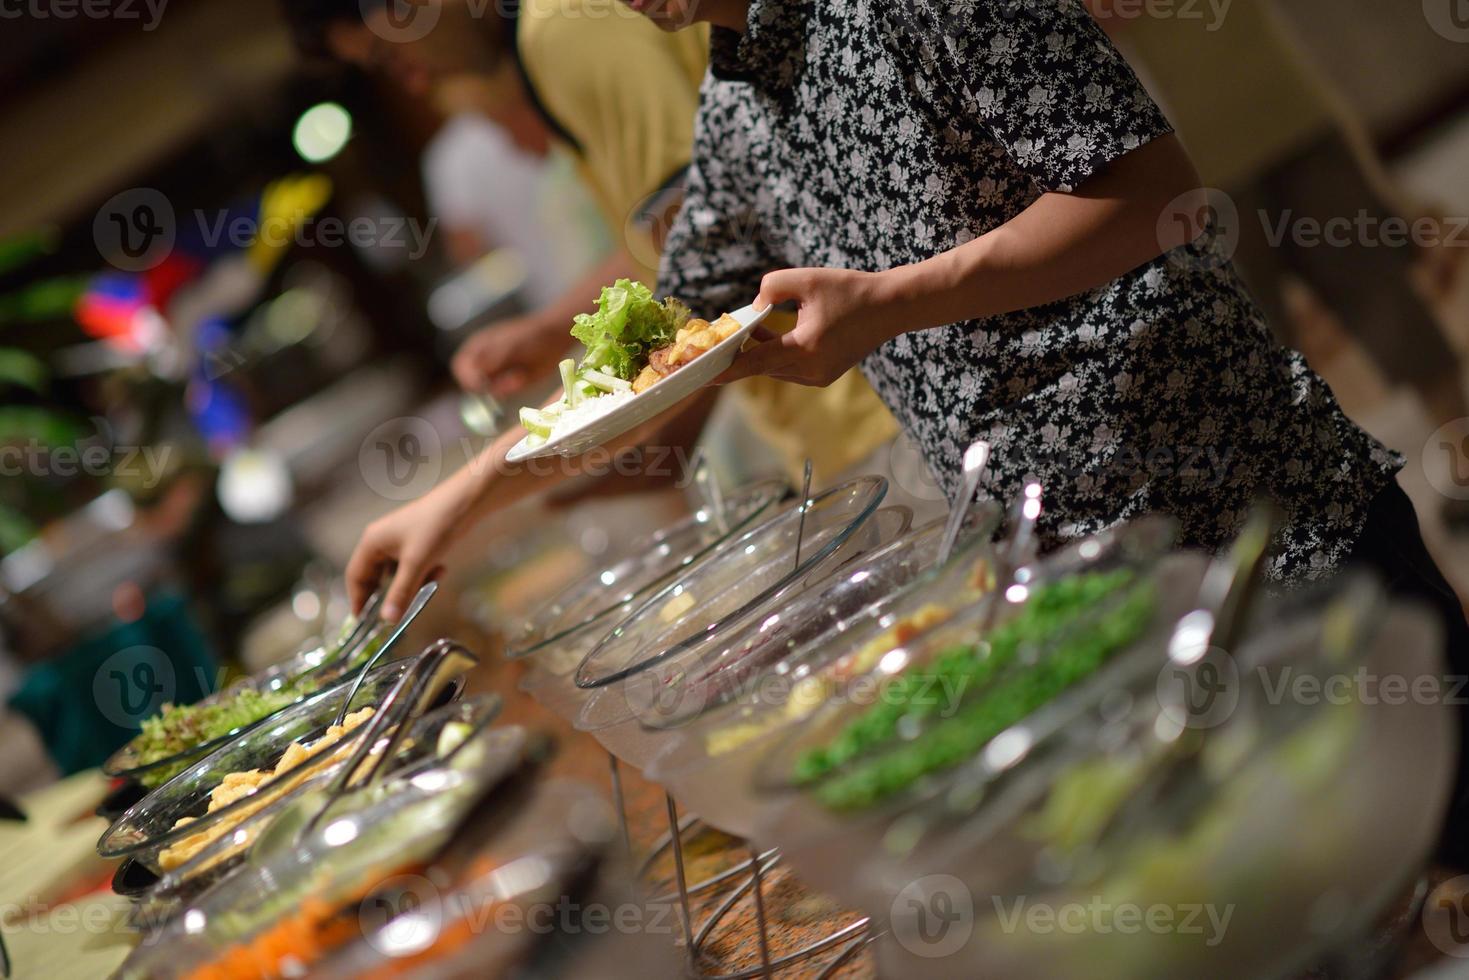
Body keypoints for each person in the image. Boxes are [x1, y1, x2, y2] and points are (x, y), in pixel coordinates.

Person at [286, 0, 900, 489]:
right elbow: (686, 242)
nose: (415, 80)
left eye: (389, 60)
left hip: (864, 394)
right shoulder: (550, 33)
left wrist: (482, 486)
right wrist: (554, 331)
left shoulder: (561, 30)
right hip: (837, 399)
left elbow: (704, 253)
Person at [1086, 0, 1469, 528]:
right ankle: (1341, 520)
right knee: (1263, 356)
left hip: (1287, 116)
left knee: (1380, 290)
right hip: (1195, 172)